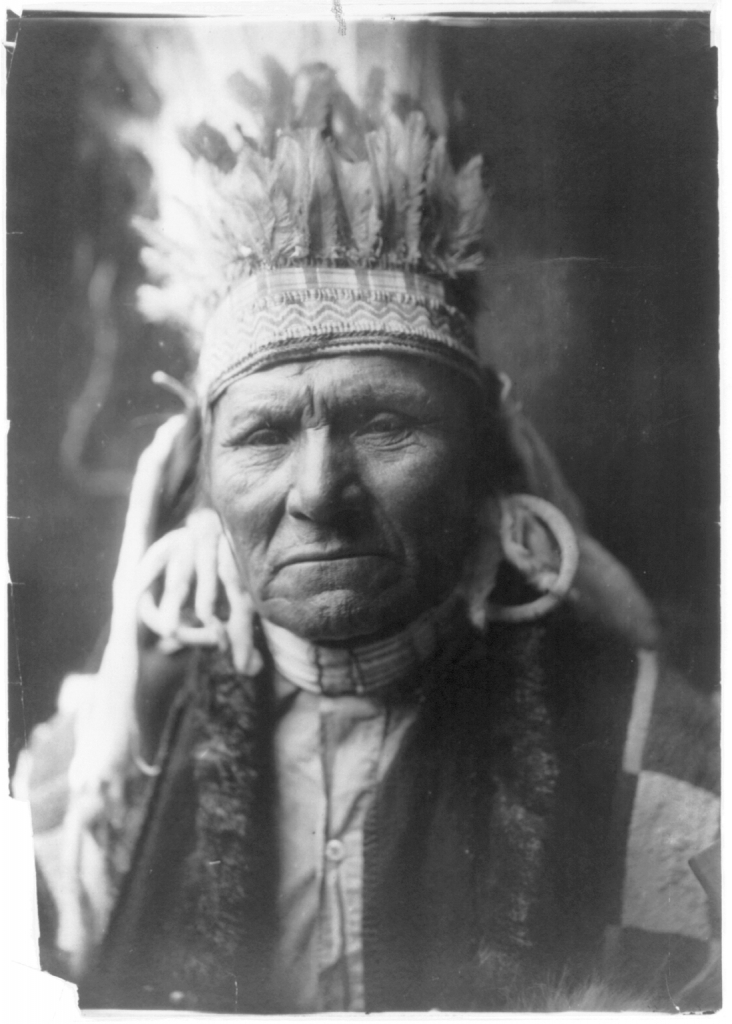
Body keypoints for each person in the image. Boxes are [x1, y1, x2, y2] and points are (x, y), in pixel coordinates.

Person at [13, 22, 720, 1013]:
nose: (316, 491)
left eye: (386, 423)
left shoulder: (667, 763)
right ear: (204, 475)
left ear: (483, 456)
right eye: (261, 436)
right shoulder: (87, 783)